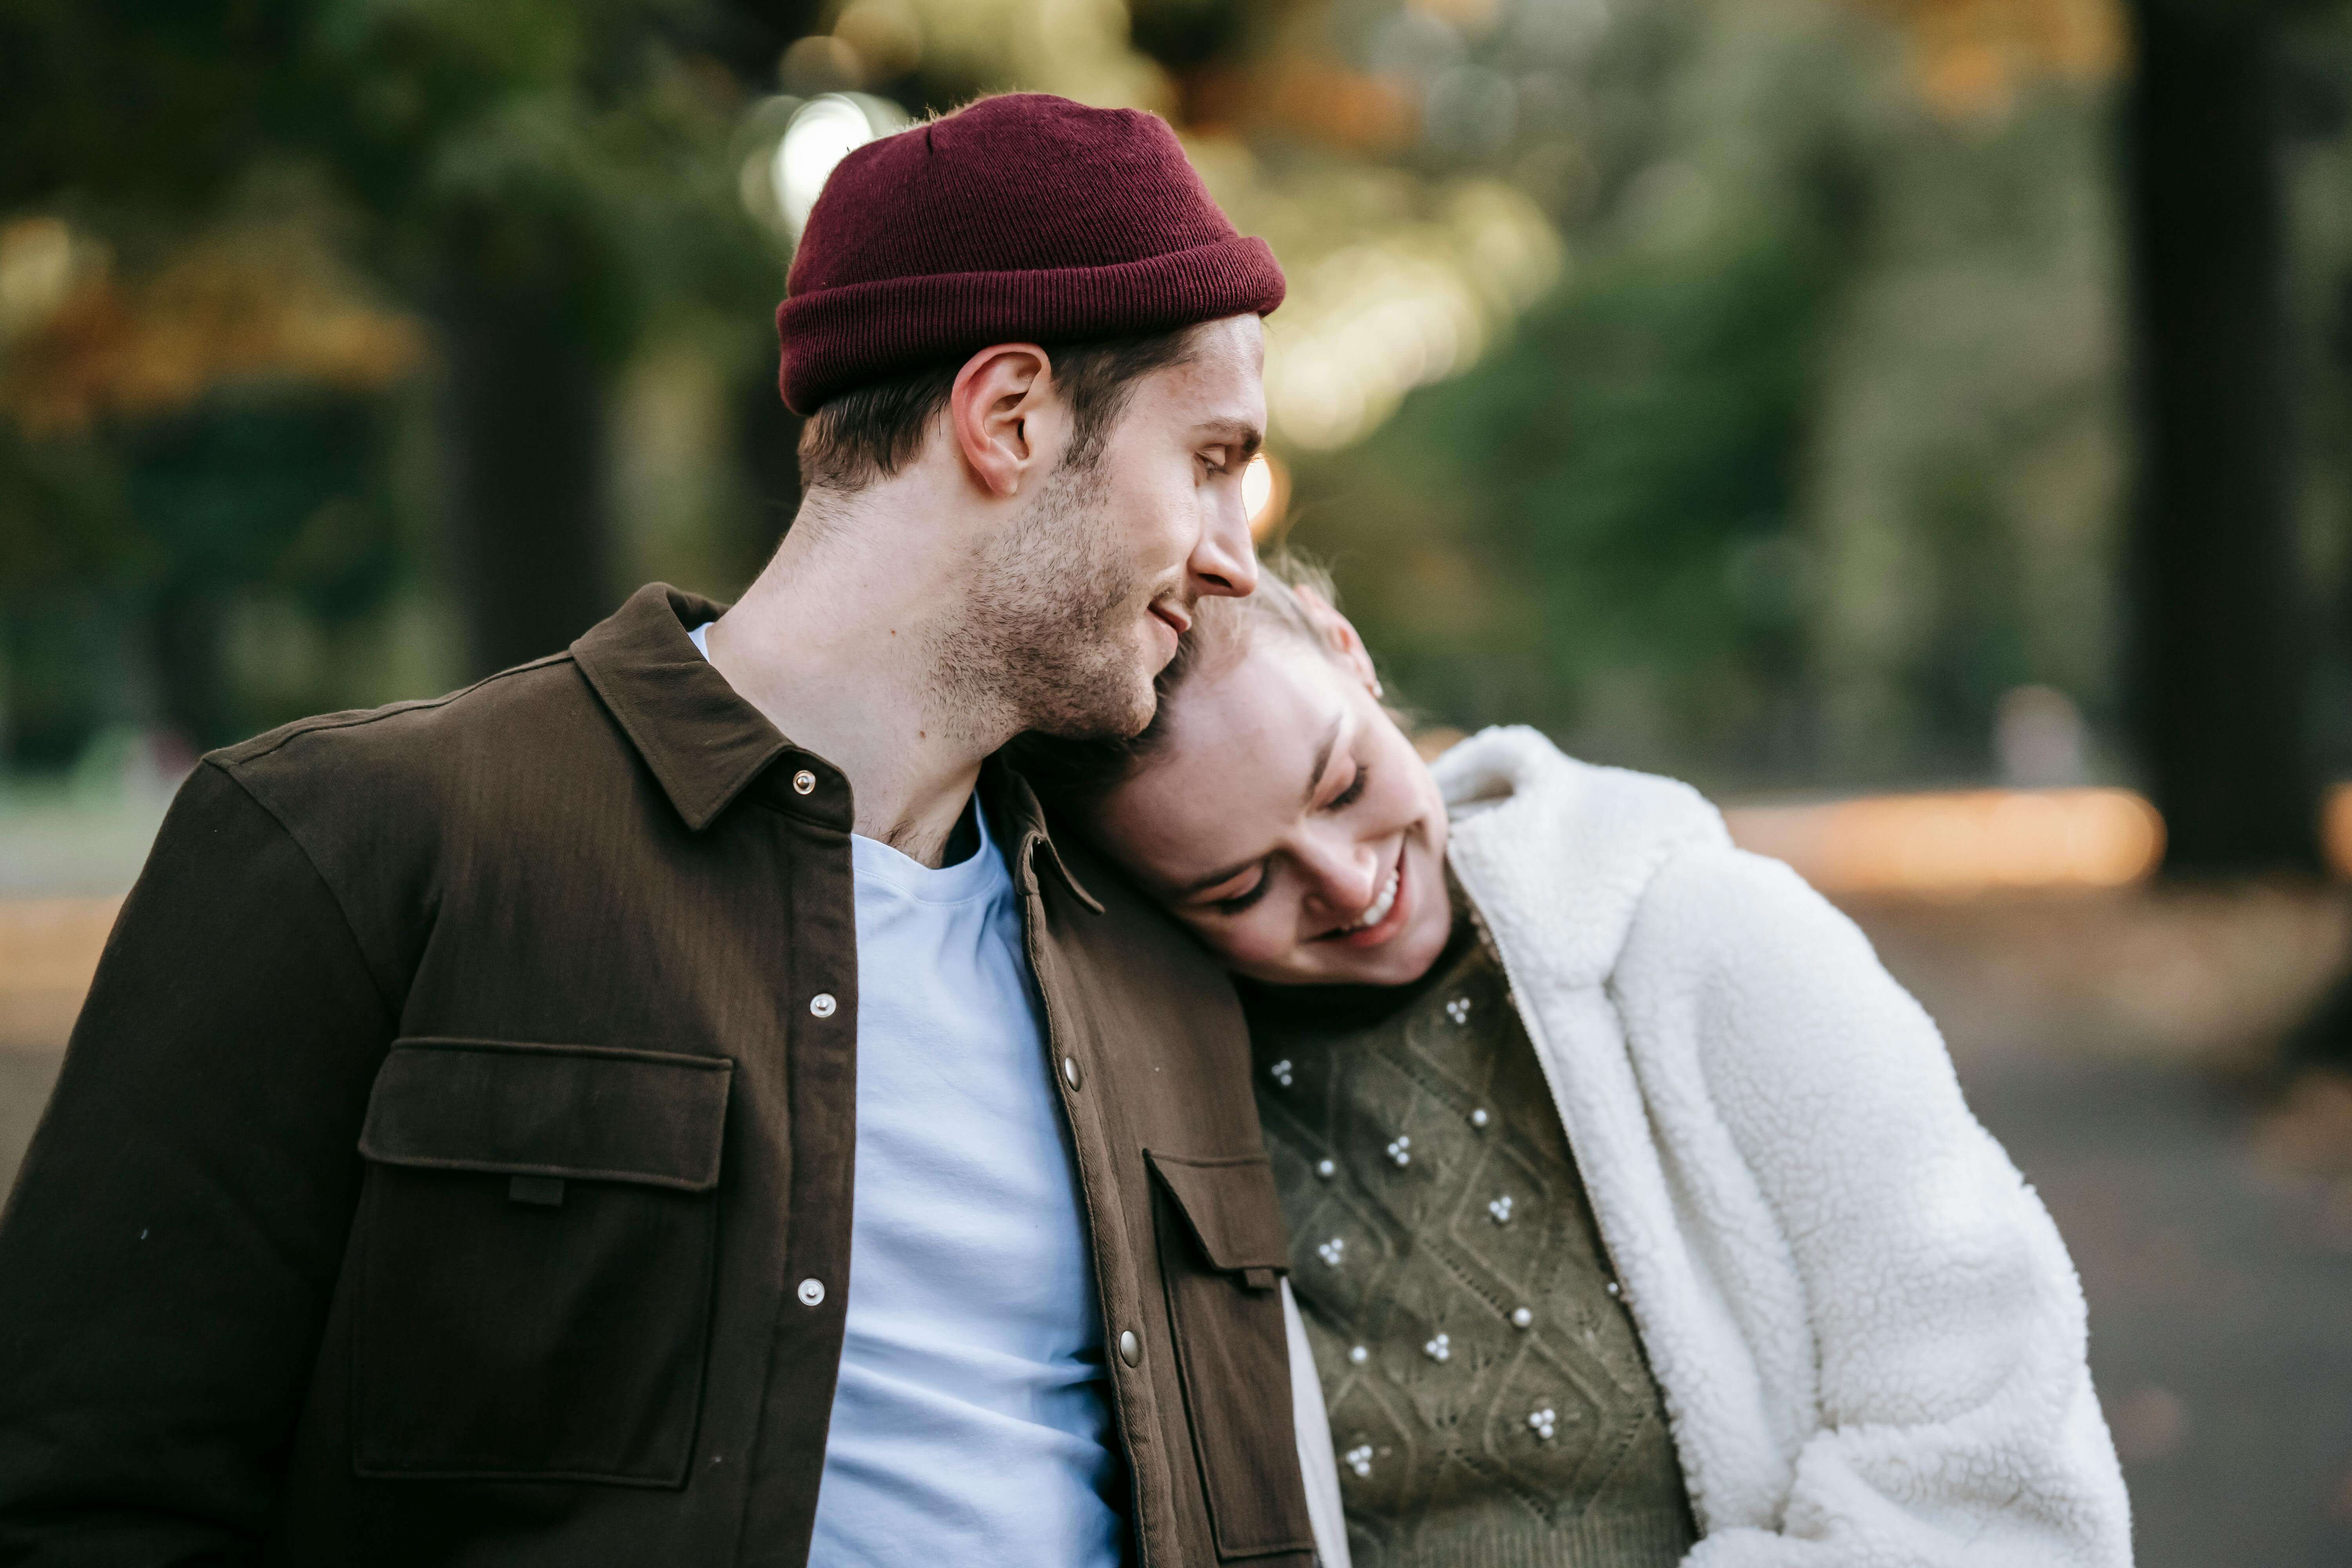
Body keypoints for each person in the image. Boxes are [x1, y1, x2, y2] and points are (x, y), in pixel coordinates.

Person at [0, 94, 1341, 1568]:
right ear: (1010, 417)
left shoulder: (1156, 928)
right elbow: (90, 1499)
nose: (1233, 556)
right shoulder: (351, 847)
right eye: (1212, 459)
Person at [1018, 559, 2135, 1568]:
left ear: (1346, 651)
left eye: (1344, 785)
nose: (1351, 886)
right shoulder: (1155, 1104)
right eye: (1240, 887)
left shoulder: (1713, 943)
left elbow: (1993, 1454)